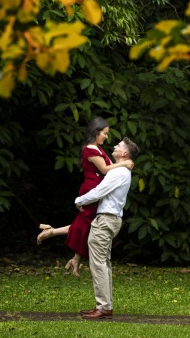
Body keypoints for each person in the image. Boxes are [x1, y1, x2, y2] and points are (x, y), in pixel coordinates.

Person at [36, 117, 134, 276]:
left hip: (97, 187)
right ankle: (52, 234)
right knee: (86, 224)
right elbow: (104, 169)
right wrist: (125, 163)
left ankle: (66, 247)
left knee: (87, 224)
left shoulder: (98, 148)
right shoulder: (90, 149)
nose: (106, 137)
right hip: (92, 188)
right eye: (105, 133)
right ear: (96, 132)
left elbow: (109, 166)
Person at [75, 137, 139, 320]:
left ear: (124, 153)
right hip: (110, 220)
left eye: (118, 146)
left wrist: (79, 200)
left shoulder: (118, 173)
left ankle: (103, 307)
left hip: (105, 220)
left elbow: (99, 191)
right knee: (104, 263)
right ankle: (105, 306)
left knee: (98, 264)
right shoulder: (121, 169)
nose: (114, 146)